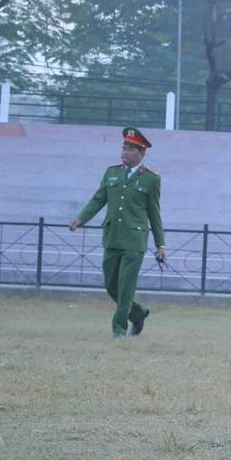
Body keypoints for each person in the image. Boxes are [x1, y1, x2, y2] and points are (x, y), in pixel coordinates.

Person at [69, 127, 167, 338]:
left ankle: (118, 329)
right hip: (112, 237)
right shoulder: (111, 173)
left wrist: (161, 244)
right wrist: (81, 218)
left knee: (125, 288)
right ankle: (139, 313)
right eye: (124, 148)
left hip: (134, 241)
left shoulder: (151, 179)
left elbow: (154, 213)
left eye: (130, 149)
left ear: (142, 153)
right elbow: (98, 199)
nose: (124, 152)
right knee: (111, 285)